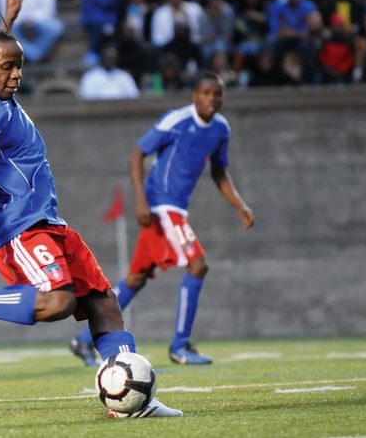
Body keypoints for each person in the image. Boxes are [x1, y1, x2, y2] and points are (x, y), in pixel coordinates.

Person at [0, 0, 182, 419]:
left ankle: (131, 398)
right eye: (8, 67)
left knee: (103, 303)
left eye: (20, 66)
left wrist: (7, 19)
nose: (16, 74)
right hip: (17, 229)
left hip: (47, 221)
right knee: (58, 301)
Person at [72, 72, 254, 367]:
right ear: (195, 95)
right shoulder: (176, 121)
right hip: (161, 207)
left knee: (135, 279)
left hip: (175, 210)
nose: (212, 98)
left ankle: (82, 340)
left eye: (218, 93)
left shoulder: (221, 129)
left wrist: (239, 205)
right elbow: (137, 154)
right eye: (206, 93)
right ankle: (180, 346)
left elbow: (219, 170)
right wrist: (141, 200)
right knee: (198, 265)